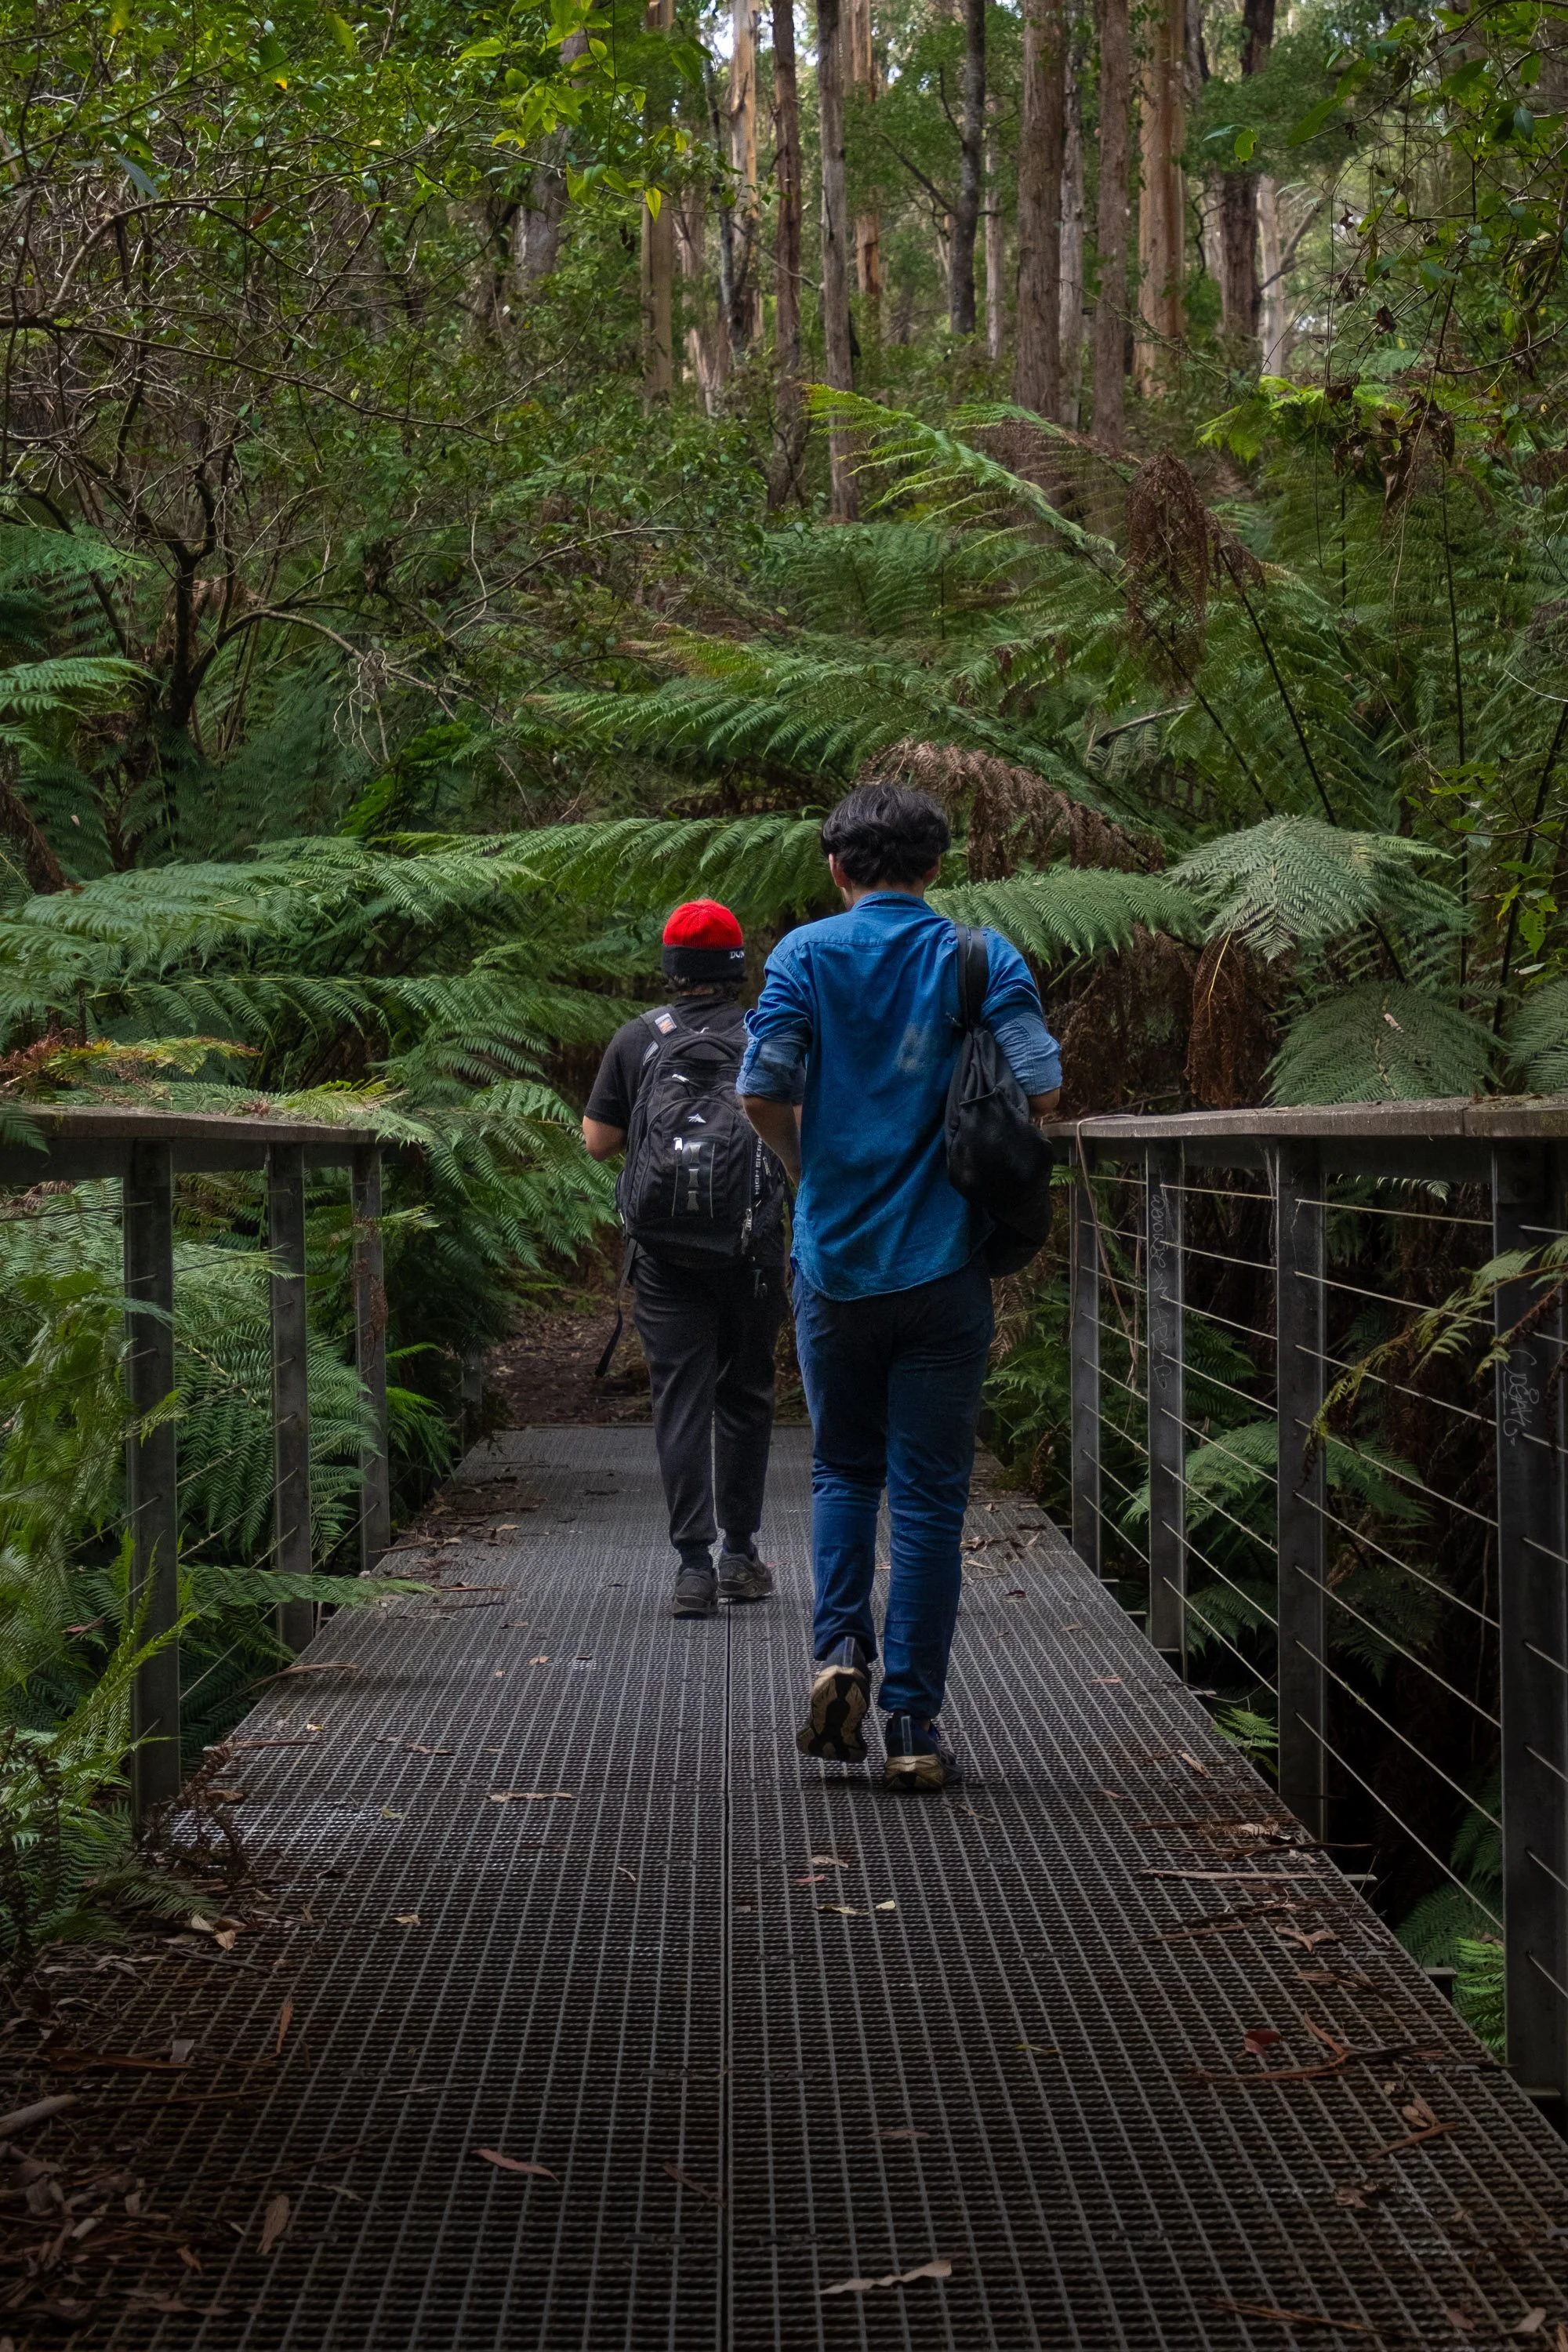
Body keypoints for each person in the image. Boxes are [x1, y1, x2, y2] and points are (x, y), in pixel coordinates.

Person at [738, 782, 1062, 1789]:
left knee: (842, 1471)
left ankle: (839, 1655)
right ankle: (913, 1727)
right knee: (927, 1499)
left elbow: (761, 1087)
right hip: (945, 1266)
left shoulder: (802, 954)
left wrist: (811, 1177)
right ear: (933, 868)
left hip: (833, 1264)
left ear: (836, 869)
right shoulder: (979, 955)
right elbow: (1040, 1087)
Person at [583, 899, 788, 1619]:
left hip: (665, 1255)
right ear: (738, 967)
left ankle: (693, 1568)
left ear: (671, 968)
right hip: (751, 1249)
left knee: (680, 1398)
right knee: (745, 1394)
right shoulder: (767, 1031)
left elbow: (600, 1143)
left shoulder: (639, 1039)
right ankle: (740, 1555)